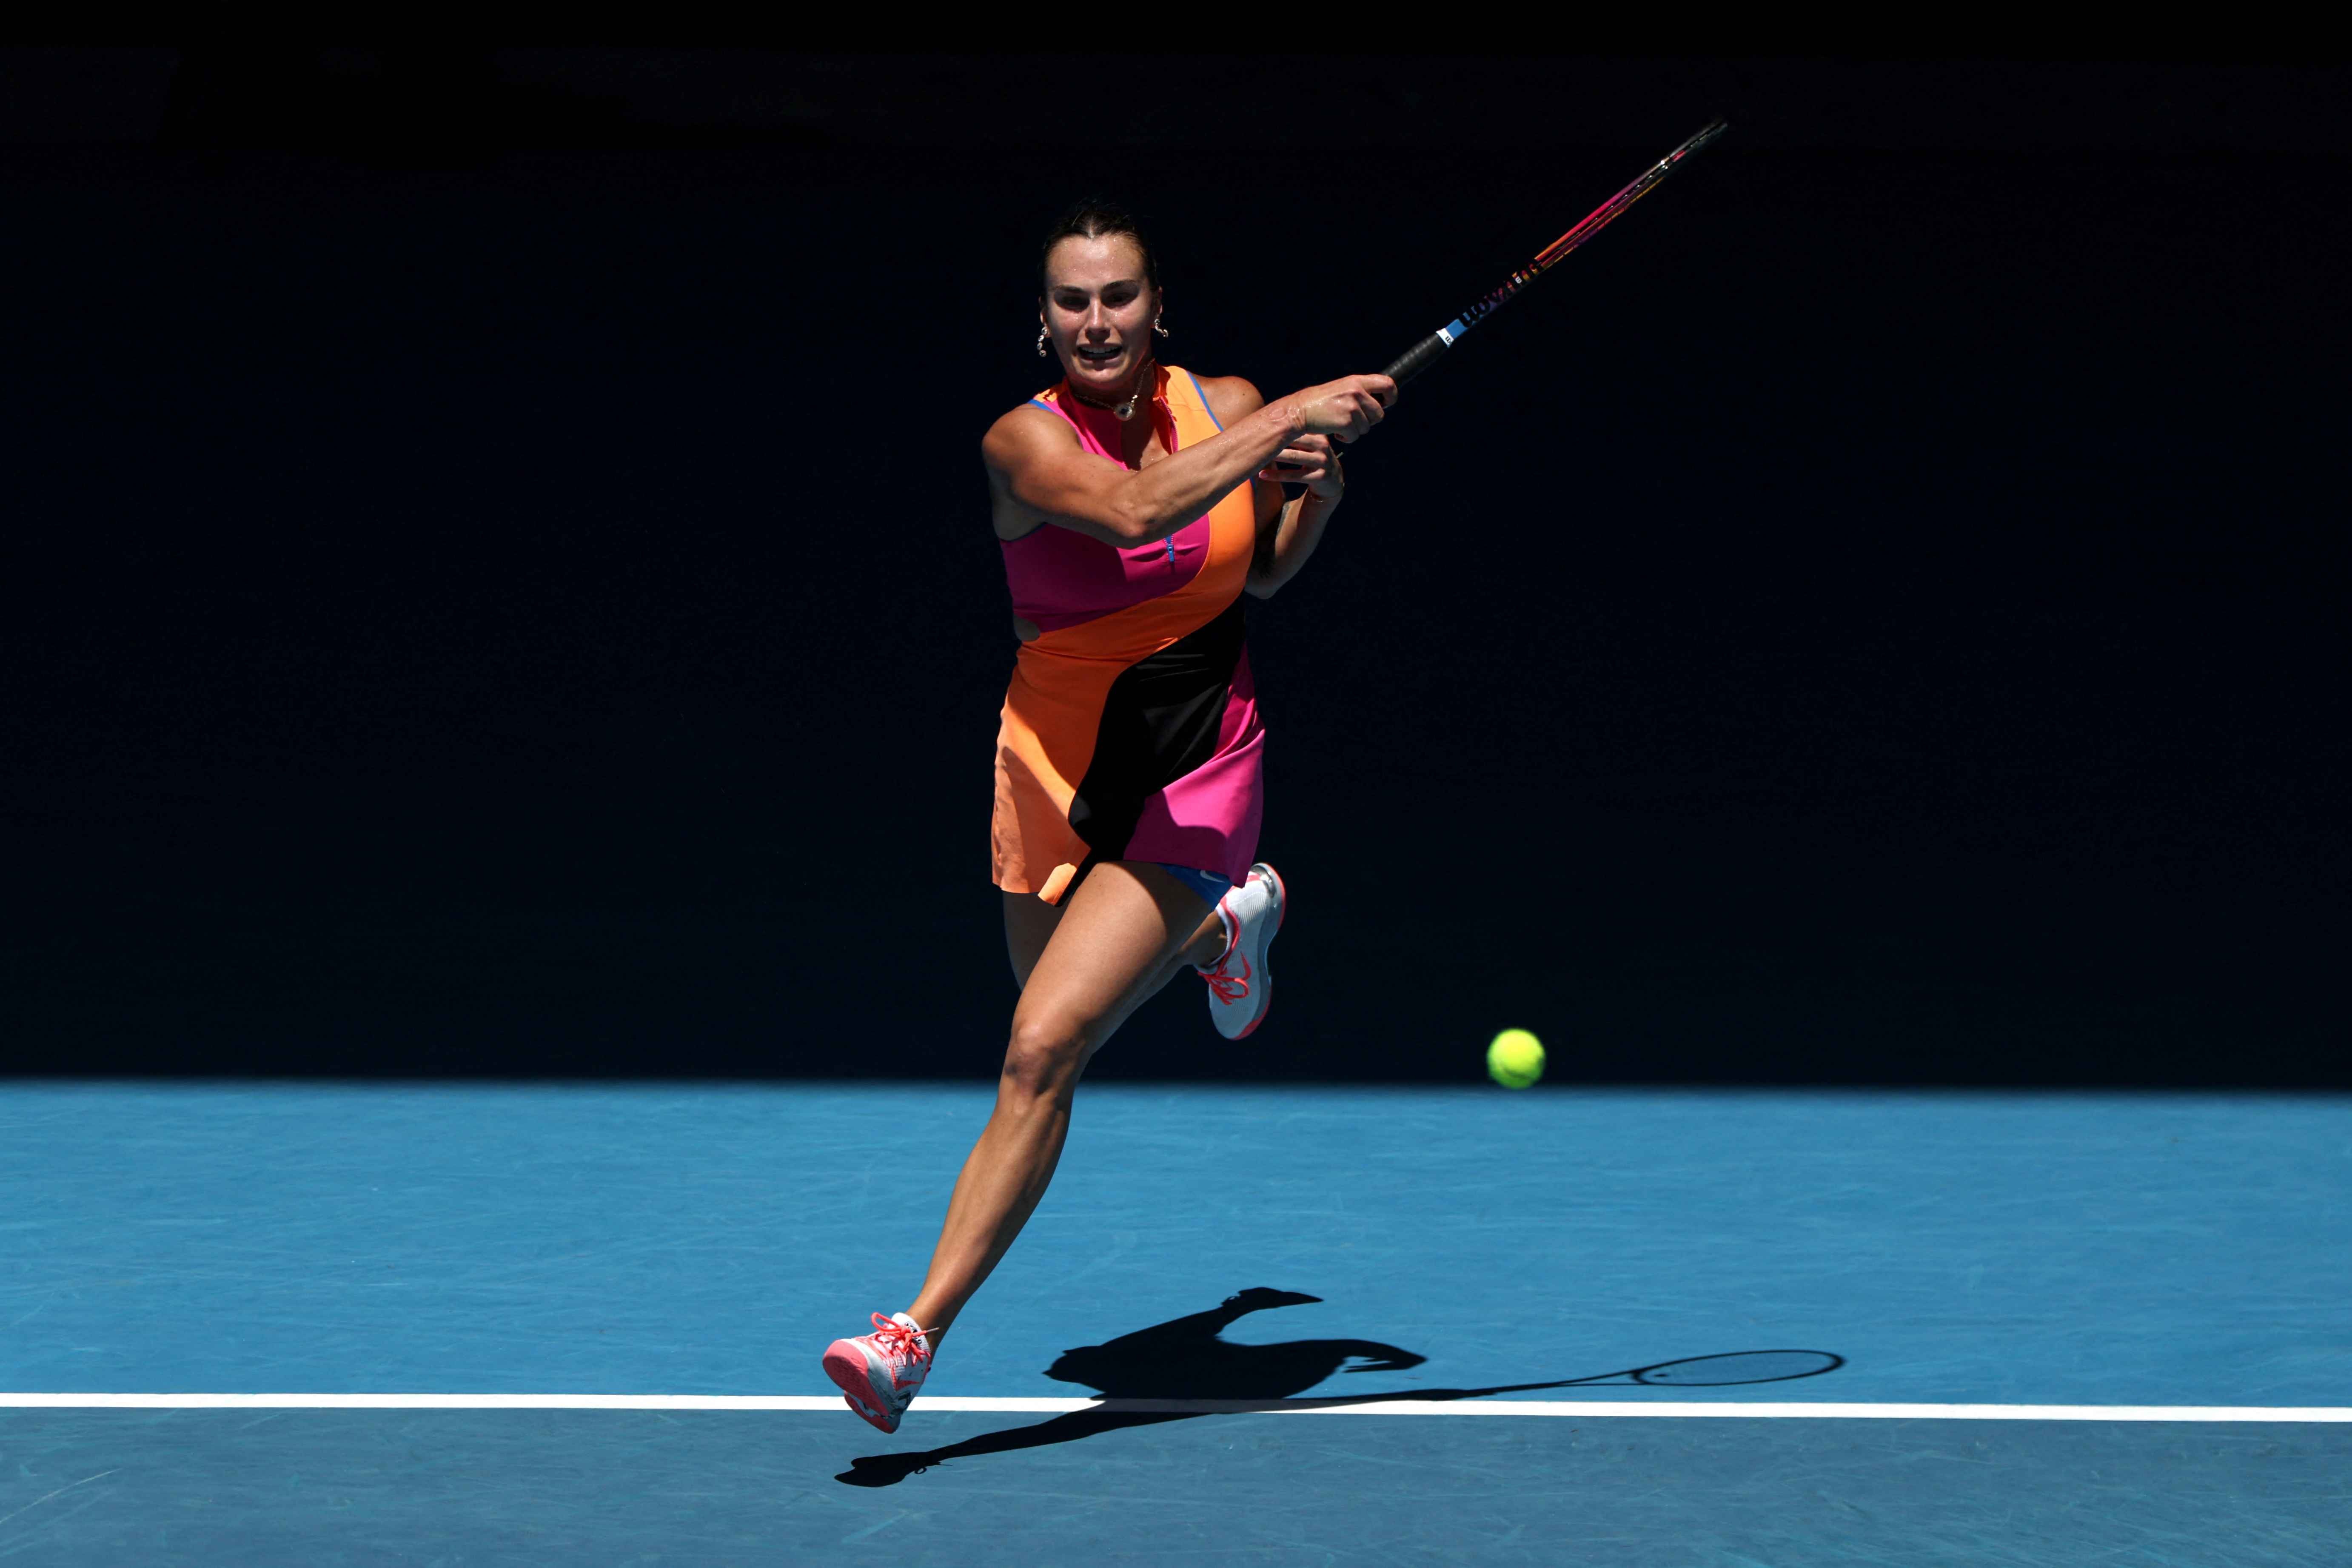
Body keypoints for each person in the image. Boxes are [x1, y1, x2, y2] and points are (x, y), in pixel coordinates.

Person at [822, 203, 1396, 1433]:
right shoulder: (1020, 443)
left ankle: (909, 1336)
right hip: (1056, 765)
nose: (1097, 321)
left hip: (1196, 759)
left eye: (1119, 296)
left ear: (1157, 307)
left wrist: (1321, 490)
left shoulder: (1226, 405)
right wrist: (1293, 418)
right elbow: (1135, 514)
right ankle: (1227, 930)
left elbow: (1262, 568)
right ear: (1042, 321)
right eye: (1073, 301)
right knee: (1058, 1034)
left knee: (1040, 1050)